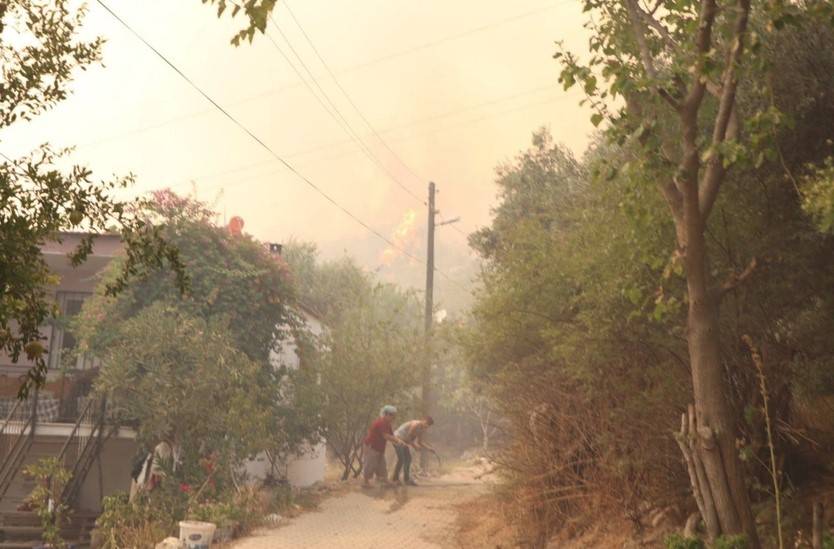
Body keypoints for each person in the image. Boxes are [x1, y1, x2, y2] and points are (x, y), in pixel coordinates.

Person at [362, 405, 407, 487]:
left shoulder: (388, 424)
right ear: (387, 414)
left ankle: (385, 480)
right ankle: (365, 482)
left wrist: (399, 442)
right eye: (392, 415)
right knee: (370, 464)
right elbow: (386, 436)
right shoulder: (380, 423)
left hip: (379, 448)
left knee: (382, 464)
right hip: (371, 446)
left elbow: (392, 435)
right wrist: (398, 441)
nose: (394, 418)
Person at [392, 416, 435, 486]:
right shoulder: (415, 424)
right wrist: (414, 446)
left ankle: (406, 479)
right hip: (397, 438)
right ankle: (395, 479)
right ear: (423, 420)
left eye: (428, 425)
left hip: (404, 442)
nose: (426, 426)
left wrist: (429, 448)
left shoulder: (422, 429)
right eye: (426, 423)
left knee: (408, 459)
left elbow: (419, 442)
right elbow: (408, 437)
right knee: (401, 459)